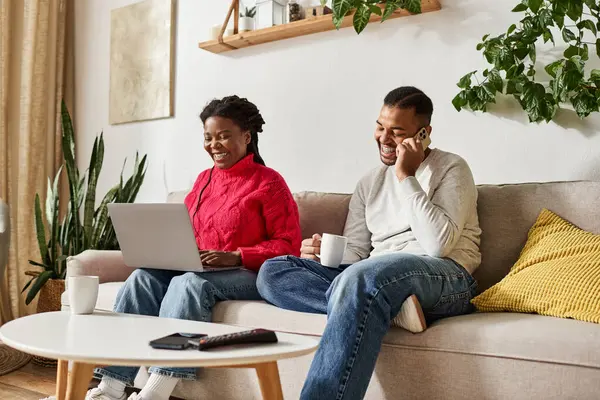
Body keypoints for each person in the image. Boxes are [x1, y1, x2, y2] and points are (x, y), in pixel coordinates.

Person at [256, 87, 482, 400]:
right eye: (380, 127)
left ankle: (376, 305)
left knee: (362, 278)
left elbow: (439, 245)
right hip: (375, 278)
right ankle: (388, 308)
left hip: (446, 277)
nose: (384, 138)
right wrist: (321, 252)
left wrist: (406, 175)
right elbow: (356, 254)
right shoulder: (369, 182)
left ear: (424, 133)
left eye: (397, 132)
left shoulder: (452, 168)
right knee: (273, 272)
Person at [86, 95, 302, 400]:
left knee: (189, 284)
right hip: (200, 267)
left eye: (224, 136)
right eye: (208, 137)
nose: (215, 144)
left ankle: (156, 391)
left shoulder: (268, 182)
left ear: (246, 137)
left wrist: (237, 255)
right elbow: (185, 230)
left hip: (248, 272)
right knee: (142, 279)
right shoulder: (203, 180)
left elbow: (288, 246)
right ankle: (111, 387)